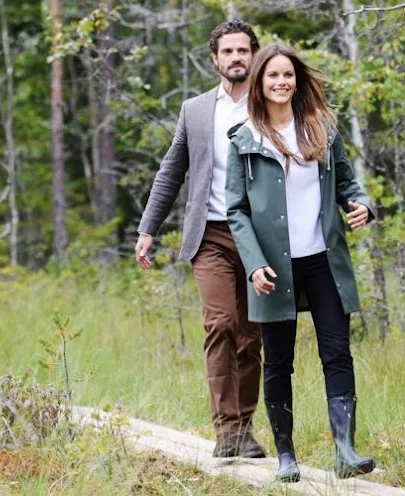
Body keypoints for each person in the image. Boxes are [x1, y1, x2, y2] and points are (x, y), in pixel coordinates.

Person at [225, 43, 375, 481]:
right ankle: (286, 455)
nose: (281, 82)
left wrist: (361, 204)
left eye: (287, 74)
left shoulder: (322, 127)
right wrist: (253, 264)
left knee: (337, 353)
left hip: (324, 259)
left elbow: (349, 182)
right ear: (259, 82)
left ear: (297, 79)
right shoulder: (244, 138)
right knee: (278, 361)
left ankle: (345, 450)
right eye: (272, 75)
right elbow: (236, 210)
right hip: (274, 267)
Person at [134, 20, 266, 459]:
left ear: (254, 55)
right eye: (227, 52)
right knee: (220, 325)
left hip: (261, 239)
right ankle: (226, 429)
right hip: (209, 234)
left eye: (242, 51)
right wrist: (148, 229)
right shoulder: (195, 110)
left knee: (250, 336)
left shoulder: (271, 104)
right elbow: (171, 170)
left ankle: (244, 428)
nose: (235, 58)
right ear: (214, 59)